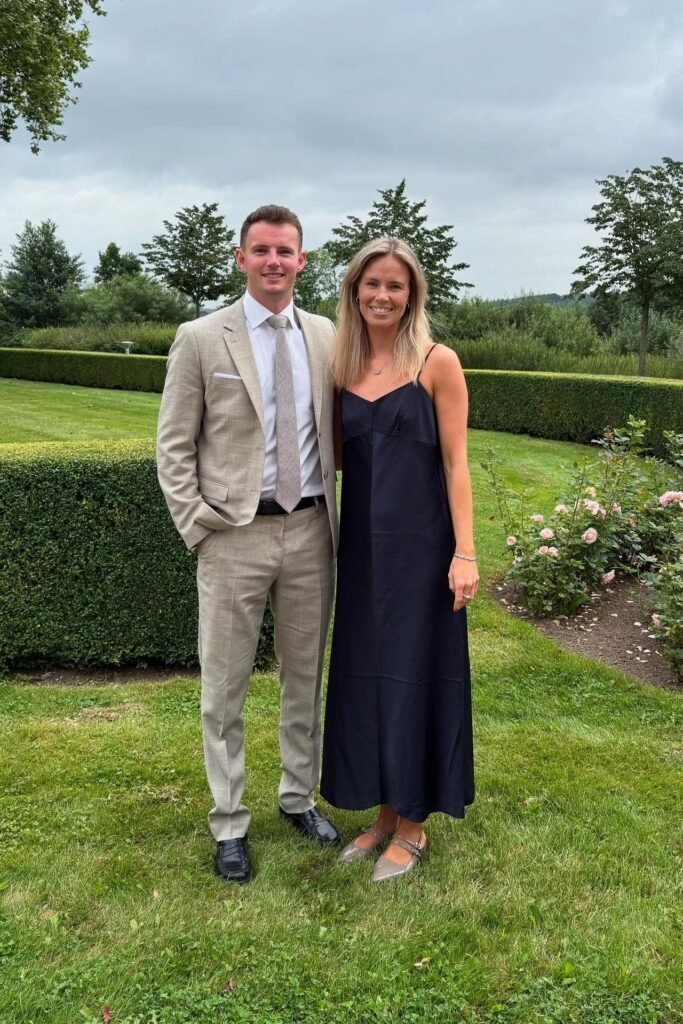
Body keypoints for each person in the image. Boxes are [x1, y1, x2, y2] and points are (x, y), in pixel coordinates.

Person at [157, 205, 340, 885]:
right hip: (233, 534)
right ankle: (228, 821)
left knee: (305, 678)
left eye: (285, 251)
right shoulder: (203, 337)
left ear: (301, 260)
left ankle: (298, 797)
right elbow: (173, 443)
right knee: (224, 685)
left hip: (312, 531)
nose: (273, 261)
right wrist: (197, 525)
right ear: (241, 258)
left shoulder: (324, 337)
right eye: (260, 250)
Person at [320, 237, 477, 881]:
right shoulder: (341, 365)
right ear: (354, 290)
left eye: (396, 286)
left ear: (413, 295)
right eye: (371, 284)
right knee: (366, 676)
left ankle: (413, 823)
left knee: (416, 675)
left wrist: (465, 552)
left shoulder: (438, 363)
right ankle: (383, 812)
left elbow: (456, 462)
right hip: (359, 555)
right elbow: (331, 460)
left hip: (423, 552)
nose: (382, 295)